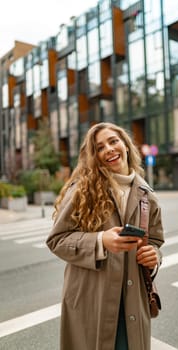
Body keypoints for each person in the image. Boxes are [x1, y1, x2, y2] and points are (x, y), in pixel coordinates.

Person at [46, 122, 164, 350]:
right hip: (92, 301)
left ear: (126, 146)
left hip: (132, 302)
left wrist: (154, 256)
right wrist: (101, 241)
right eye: (99, 148)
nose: (108, 149)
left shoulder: (147, 195)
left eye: (113, 141)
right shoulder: (82, 189)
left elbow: (156, 242)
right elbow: (57, 240)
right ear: (94, 157)